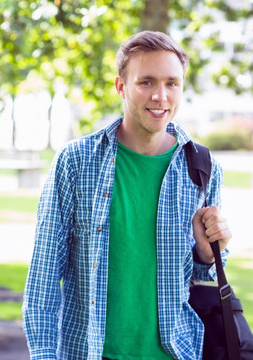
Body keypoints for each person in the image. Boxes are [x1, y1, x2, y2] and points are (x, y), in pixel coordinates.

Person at [22, 31, 233, 359]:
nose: (160, 96)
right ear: (121, 86)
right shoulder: (76, 162)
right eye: (146, 82)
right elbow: (43, 281)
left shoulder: (203, 167)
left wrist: (207, 254)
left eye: (171, 83)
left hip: (177, 351)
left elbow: (200, 277)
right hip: (91, 352)